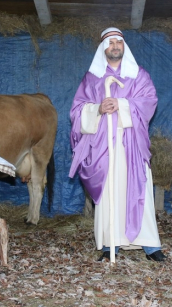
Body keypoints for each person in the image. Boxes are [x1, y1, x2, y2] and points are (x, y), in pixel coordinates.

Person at [69, 27, 166, 262]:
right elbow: (76, 111)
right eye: (110, 42)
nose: (115, 46)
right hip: (104, 147)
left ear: (124, 46)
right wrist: (97, 109)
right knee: (110, 191)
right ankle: (109, 243)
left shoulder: (139, 75)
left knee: (139, 188)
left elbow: (149, 101)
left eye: (119, 42)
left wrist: (122, 104)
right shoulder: (92, 78)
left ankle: (149, 245)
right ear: (104, 47)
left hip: (131, 143)